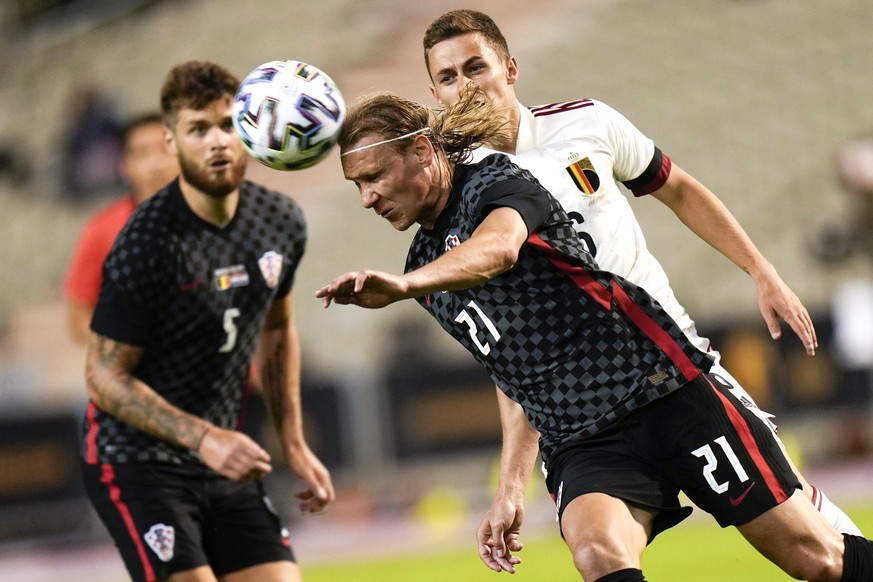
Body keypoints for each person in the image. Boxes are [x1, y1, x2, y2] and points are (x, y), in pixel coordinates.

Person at [316, 90, 873, 581]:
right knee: (598, 554)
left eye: (373, 177)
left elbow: (499, 249)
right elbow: (513, 374)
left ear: (420, 153)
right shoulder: (426, 265)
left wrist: (404, 285)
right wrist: (510, 486)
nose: (367, 197)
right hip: (581, 438)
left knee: (816, 558)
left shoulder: (498, 182)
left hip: (661, 391)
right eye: (357, 185)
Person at [420, 9, 863, 554]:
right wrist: (511, 484)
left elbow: (678, 188)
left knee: (811, 545)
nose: (465, 86)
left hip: (671, 366)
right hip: (586, 411)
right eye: (447, 77)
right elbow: (511, 354)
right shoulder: (460, 205)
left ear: (510, 68)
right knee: (600, 552)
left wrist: (760, 270)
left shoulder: (585, 124)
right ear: (435, 95)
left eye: (475, 67)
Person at [81, 60, 334, 582]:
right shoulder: (144, 241)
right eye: (199, 129)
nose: (217, 142)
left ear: (247, 128)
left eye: (225, 124)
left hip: (222, 456)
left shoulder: (280, 220)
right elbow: (104, 376)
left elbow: (277, 329)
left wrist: (293, 440)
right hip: (135, 461)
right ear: (173, 143)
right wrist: (204, 438)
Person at [64, 112, 179, 345]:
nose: (156, 164)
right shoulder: (102, 230)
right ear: (125, 165)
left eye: (164, 150)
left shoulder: (221, 217)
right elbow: (79, 317)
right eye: (143, 153)